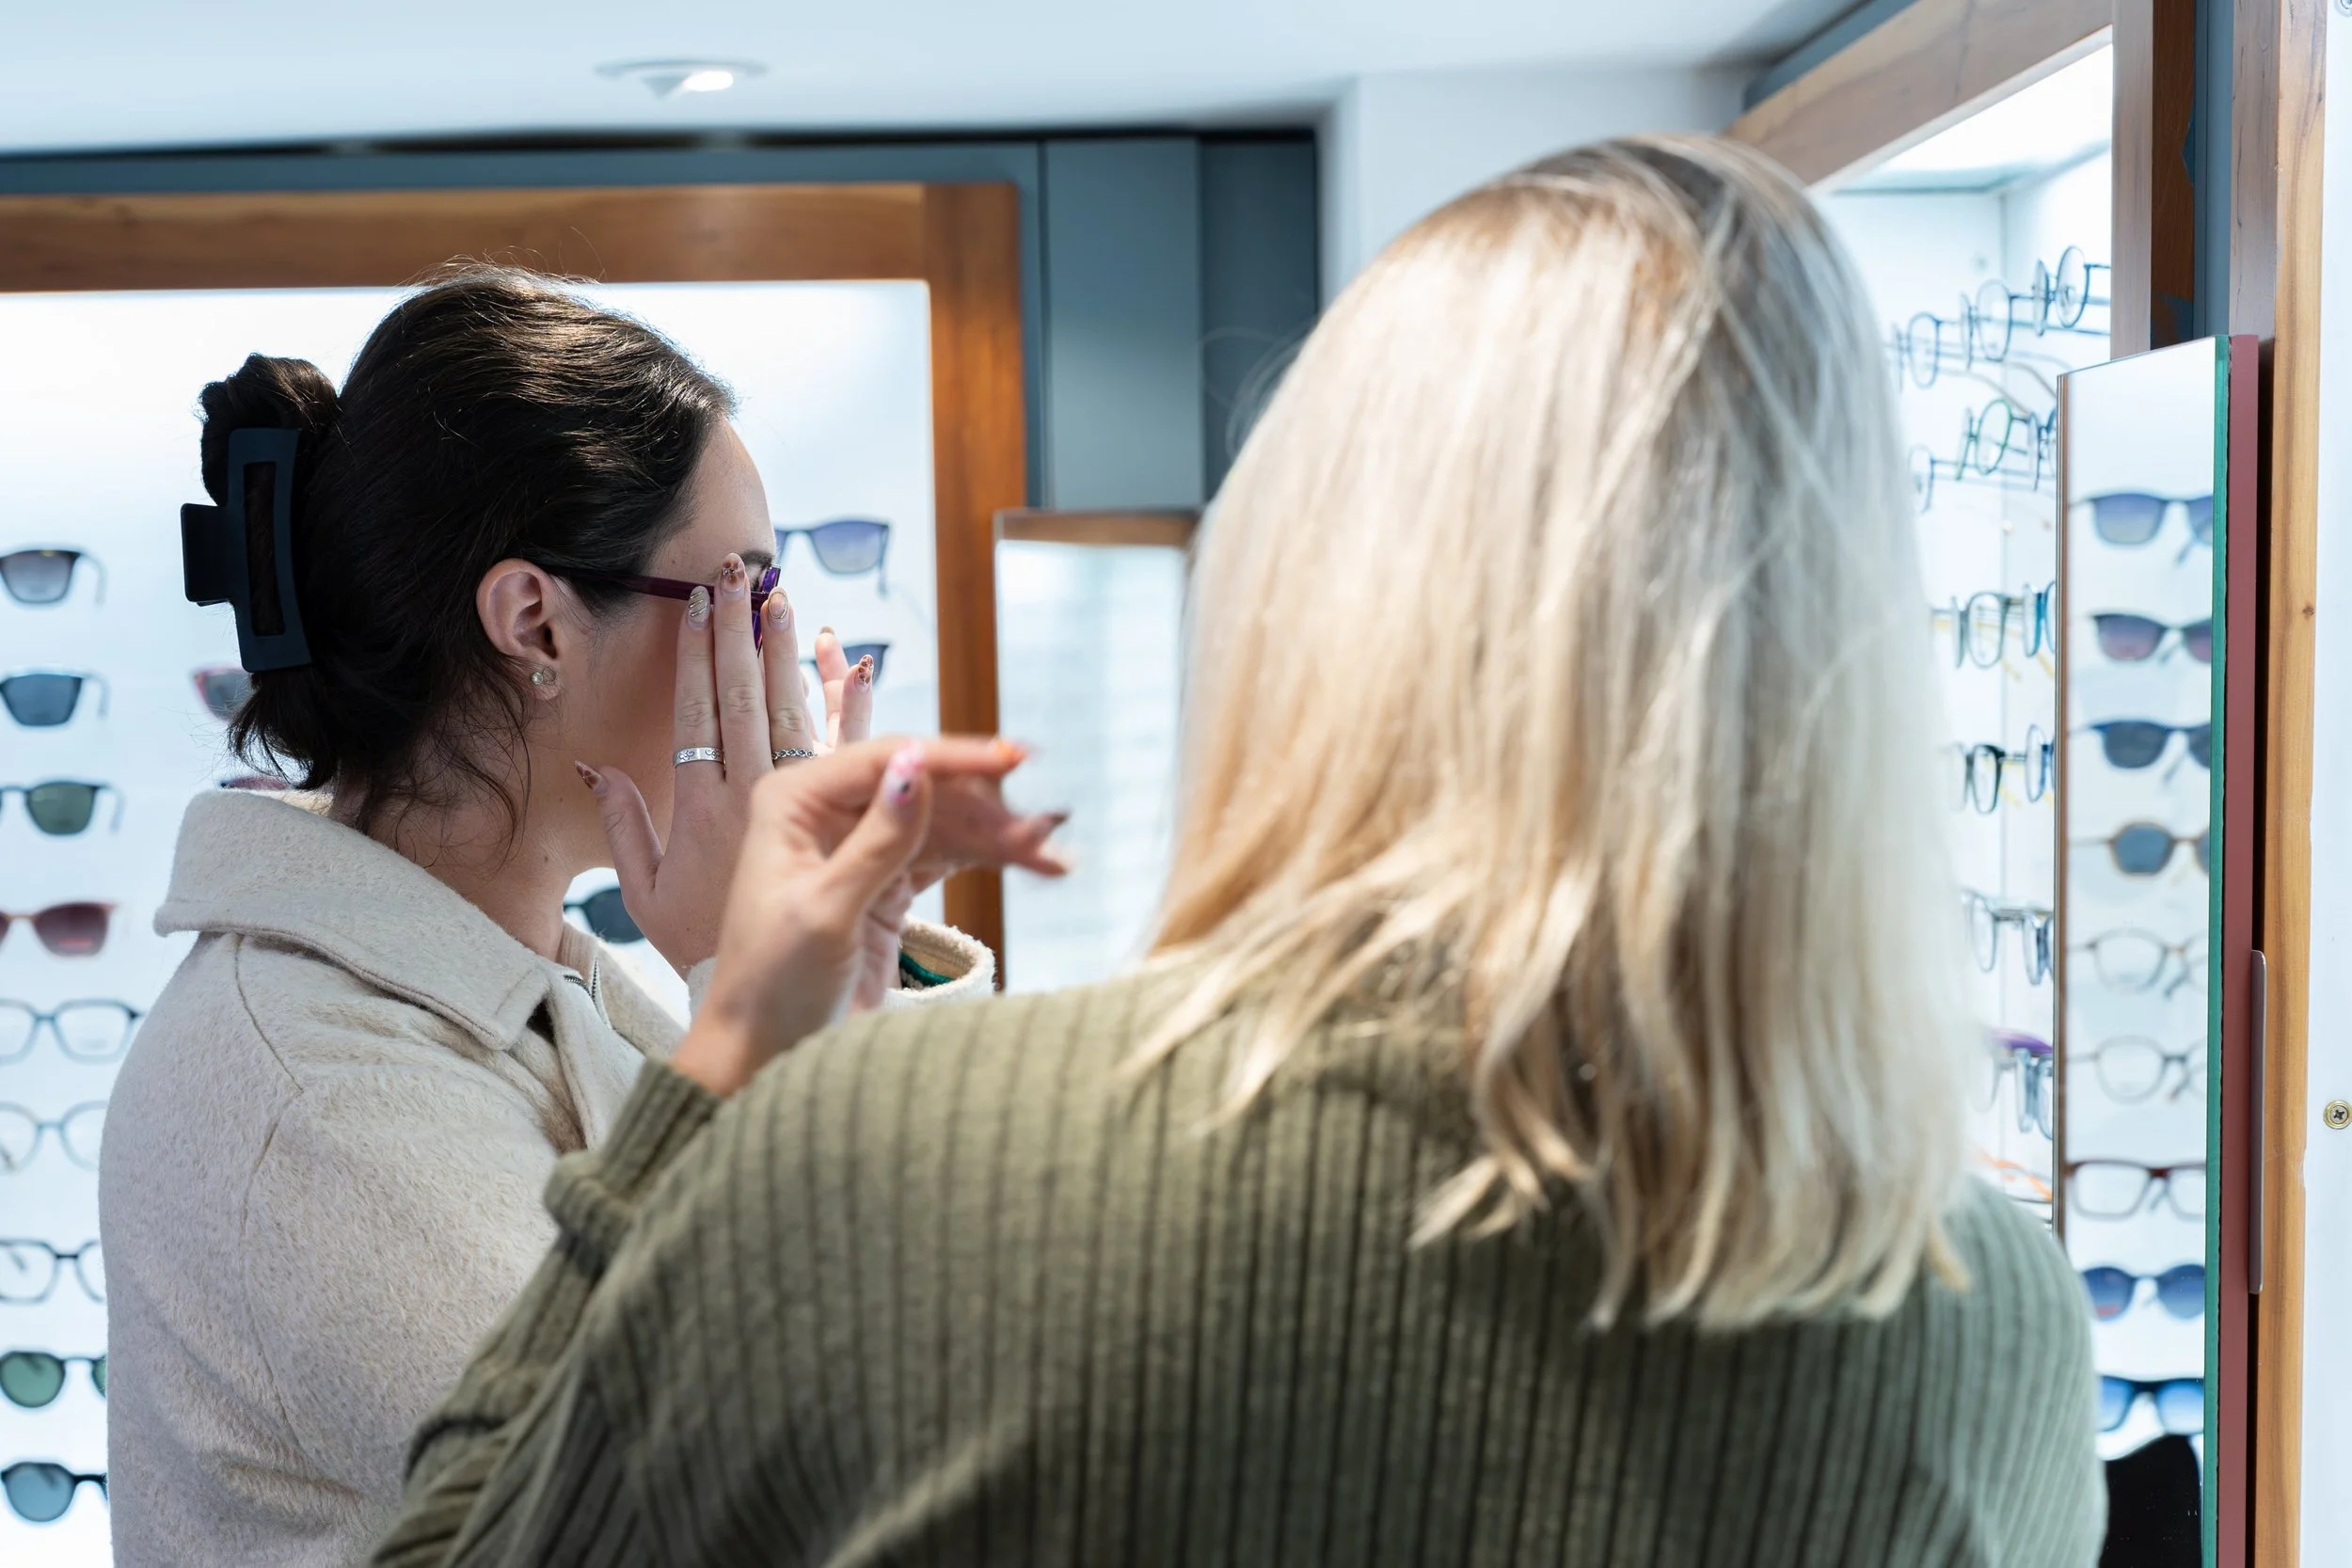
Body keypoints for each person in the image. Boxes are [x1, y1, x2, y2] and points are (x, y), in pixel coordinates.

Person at [374, 137, 2103, 1567]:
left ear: (1301, 577)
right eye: (742, 592)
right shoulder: (1984, 1320)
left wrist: (735, 1058)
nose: (769, 645)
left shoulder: (896, 1160)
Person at [99, 269, 1064, 1567]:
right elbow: (729, 1495)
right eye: (741, 593)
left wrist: (853, 962)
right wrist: (758, 984)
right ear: (535, 620)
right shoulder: (305, 1091)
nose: (778, 654)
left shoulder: (539, 985)